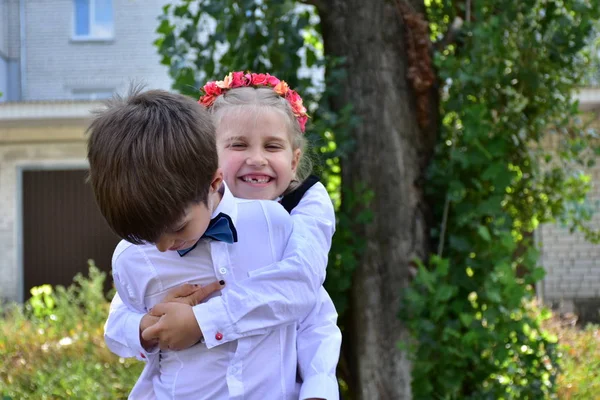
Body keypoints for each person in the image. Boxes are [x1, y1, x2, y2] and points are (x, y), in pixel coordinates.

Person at [90, 80, 340, 399]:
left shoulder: (287, 223)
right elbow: (122, 311)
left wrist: (200, 321)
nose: (257, 159)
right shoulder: (145, 241)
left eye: (272, 146)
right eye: (238, 145)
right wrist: (146, 328)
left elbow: (304, 296)